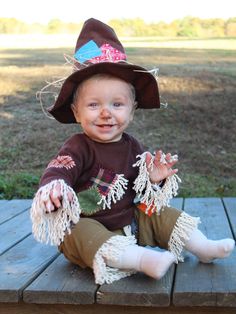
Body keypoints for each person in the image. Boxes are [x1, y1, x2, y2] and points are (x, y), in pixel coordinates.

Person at [31, 18, 235, 285]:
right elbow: (59, 169)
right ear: (75, 111)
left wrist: (153, 179)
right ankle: (141, 260)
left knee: (159, 213)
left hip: (130, 223)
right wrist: (55, 187)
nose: (106, 113)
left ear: (133, 109)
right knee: (77, 230)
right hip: (89, 229)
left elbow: (141, 193)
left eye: (117, 104)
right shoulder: (77, 147)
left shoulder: (133, 146)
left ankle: (202, 247)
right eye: (93, 105)